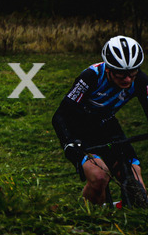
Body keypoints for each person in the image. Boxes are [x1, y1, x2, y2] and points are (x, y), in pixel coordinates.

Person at [52, 35, 148, 205]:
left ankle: (124, 213)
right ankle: (95, 218)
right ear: (109, 68)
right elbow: (60, 115)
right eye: (121, 75)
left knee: (135, 184)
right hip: (79, 129)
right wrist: (69, 143)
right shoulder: (91, 77)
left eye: (132, 73)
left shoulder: (140, 80)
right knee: (100, 177)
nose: (127, 80)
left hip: (107, 126)